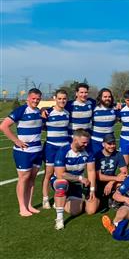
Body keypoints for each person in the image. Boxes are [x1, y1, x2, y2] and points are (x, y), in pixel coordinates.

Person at [0, 88, 43, 216]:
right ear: (28, 98)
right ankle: (22, 208)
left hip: (37, 150)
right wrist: (16, 141)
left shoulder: (39, 112)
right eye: (33, 98)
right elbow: (3, 126)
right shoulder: (21, 110)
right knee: (23, 178)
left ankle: (29, 205)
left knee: (32, 179)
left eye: (38, 99)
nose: (35, 101)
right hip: (23, 151)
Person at [52, 129, 99, 230]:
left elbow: (91, 171)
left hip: (77, 184)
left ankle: (63, 200)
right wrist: (79, 178)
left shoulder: (88, 152)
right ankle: (59, 219)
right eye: (83, 142)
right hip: (61, 180)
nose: (86, 145)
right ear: (75, 139)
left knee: (85, 210)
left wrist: (92, 190)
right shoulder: (63, 151)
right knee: (62, 184)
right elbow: (60, 174)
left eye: (87, 142)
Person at [42, 89, 71, 209]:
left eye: (64, 98)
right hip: (51, 147)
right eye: (59, 98)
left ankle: (57, 198)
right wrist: (42, 110)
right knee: (48, 173)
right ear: (55, 98)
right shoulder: (48, 112)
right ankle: (45, 198)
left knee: (62, 174)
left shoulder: (67, 113)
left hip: (64, 147)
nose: (62, 101)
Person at [94, 134, 128, 211]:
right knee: (92, 209)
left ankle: (116, 201)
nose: (112, 146)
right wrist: (116, 178)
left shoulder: (118, 154)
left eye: (113, 143)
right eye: (109, 144)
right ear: (103, 144)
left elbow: (124, 172)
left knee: (123, 182)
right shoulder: (97, 155)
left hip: (111, 181)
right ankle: (102, 198)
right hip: (98, 182)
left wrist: (111, 182)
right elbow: (98, 176)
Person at [91, 88, 118, 154]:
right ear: (100, 97)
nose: (107, 98)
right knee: (96, 162)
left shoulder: (115, 109)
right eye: (105, 97)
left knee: (110, 162)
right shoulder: (94, 108)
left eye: (109, 97)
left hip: (110, 142)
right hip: (96, 141)